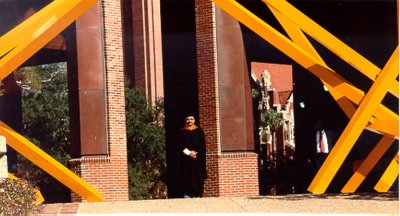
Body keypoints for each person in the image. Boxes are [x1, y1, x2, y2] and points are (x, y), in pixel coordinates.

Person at [177, 114, 207, 198]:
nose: (189, 121)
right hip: (185, 159)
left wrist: (195, 152)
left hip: (197, 159)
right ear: (185, 121)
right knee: (186, 177)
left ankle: (197, 194)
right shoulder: (182, 131)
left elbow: (202, 144)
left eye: (191, 119)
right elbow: (180, 145)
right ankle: (187, 194)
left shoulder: (199, 131)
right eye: (187, 119)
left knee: (197, 176)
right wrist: (189, 153)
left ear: (194, 120)